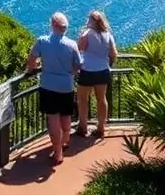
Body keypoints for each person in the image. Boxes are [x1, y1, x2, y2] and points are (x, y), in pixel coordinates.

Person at [26, 11, 81, 164]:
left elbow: (31, 59)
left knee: (53, 119)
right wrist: (70, 71)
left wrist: (31, 70)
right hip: (66, 86)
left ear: (52, 25)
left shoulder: (42, 41)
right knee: (66, 116)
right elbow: (77, 66)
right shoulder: (72, 44)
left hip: (48, 86)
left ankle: (58, 153)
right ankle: (66, 140)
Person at [76, 10, 118, 138]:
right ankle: (101, 127)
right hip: (103, 71)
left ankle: (83, 127)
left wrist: (83, 34)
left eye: (89, 19)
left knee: (82, 99)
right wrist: (107, 65)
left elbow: (79, 48)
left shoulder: (87, 33)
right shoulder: (108, 34)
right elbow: (113, 54)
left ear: (92, 21)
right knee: (101, 99)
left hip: (87, 70)